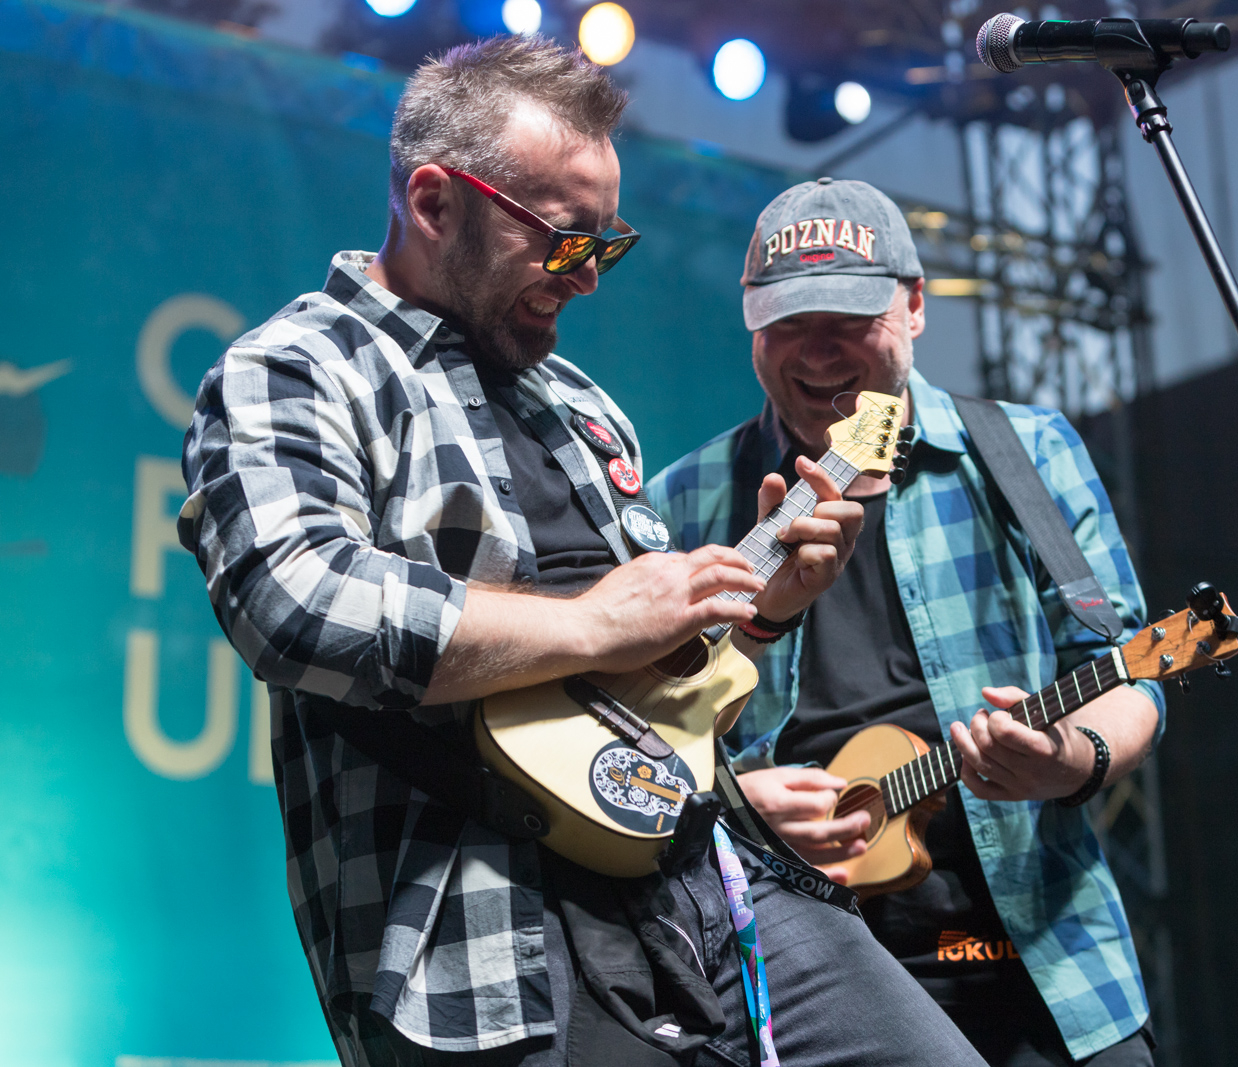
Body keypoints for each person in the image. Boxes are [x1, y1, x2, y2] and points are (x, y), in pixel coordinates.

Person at [178, 37, 993, 1067]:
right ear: (434, 203)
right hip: (479, 935)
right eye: (566, 243)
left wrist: (763, 608)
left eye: (606, 247)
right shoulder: (293, 369)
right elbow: (291, 600)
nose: (588, 280)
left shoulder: (582, 408)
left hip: (711, 880)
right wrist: (595, 619)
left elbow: (642, 684)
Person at [649, 178, 1164, 1067]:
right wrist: (732, 810)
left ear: (916, 305)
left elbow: (1126, 665)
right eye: (788, 321)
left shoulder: (1027, 453)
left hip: (1048, 954)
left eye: (849, 318)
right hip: (804, 978)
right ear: (749, 322)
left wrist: (1070, 759)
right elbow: (637, 742)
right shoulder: (682, 499)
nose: (817, 352)